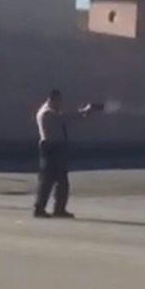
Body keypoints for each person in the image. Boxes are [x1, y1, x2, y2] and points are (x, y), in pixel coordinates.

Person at [33, 89, 100, 219]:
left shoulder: (48, 111)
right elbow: (66, 118)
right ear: (52, 99)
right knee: (50, 181)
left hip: (54, 147)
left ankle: (56, 208)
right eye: (58, 101)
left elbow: (66, 118)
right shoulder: (47, 113)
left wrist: (85, 112)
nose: (60, 104)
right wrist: (85, 111)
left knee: (57, 181)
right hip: (52, 148)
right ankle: (44, 208)